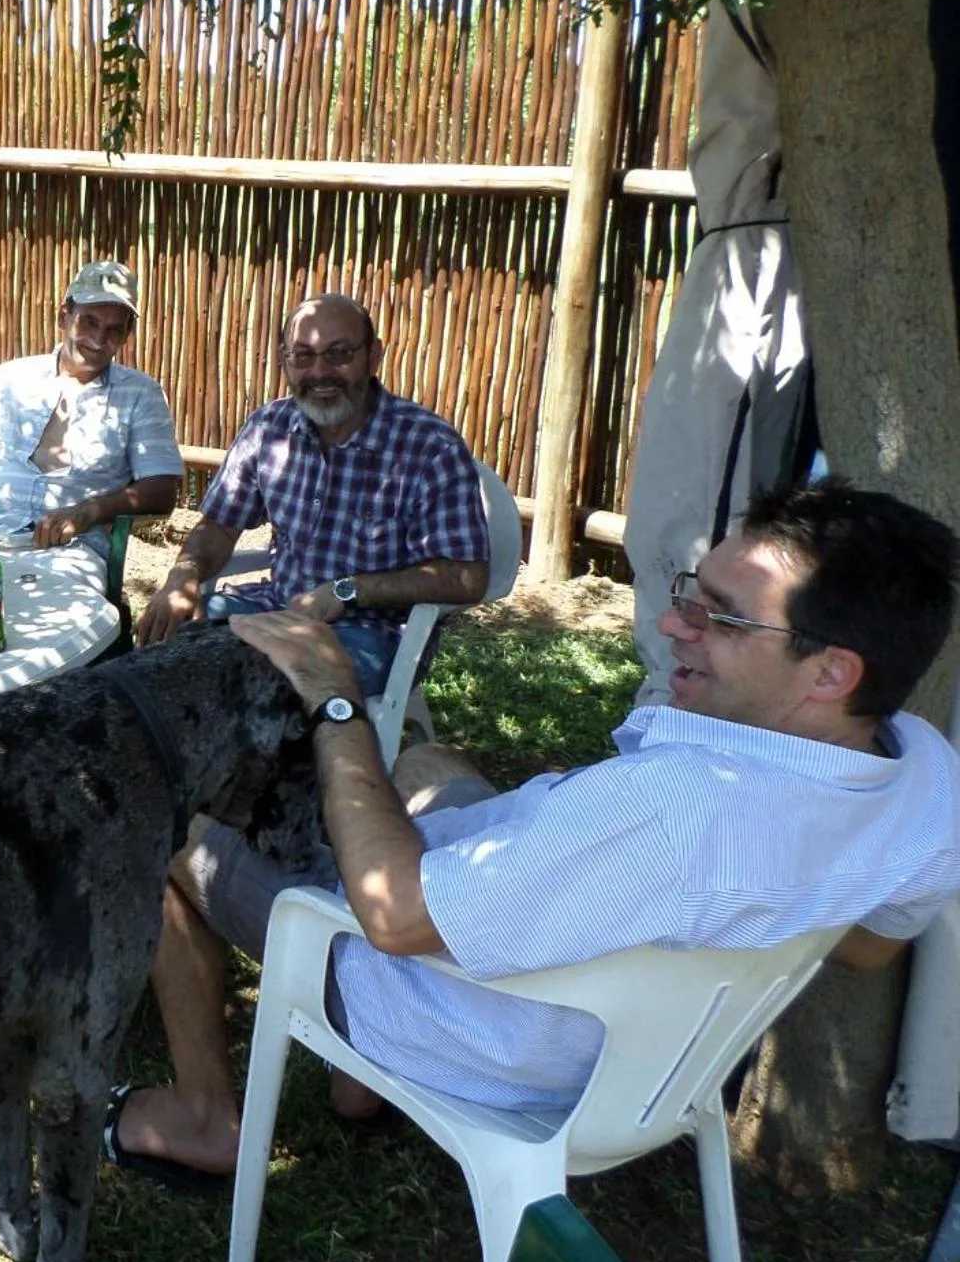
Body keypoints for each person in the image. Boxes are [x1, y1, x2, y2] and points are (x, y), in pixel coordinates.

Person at [102, 479, 960, 1188]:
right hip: (635, 1039)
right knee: (429, 761)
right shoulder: (921, 775)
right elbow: (871, 949)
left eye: (722, 620)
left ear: (831, 671)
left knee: (175, 825)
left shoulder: (675, 811)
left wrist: (335, 698)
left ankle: (206, 1114)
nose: (673, 626)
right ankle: (354, 1092)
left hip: (457, 1016)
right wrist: (762, 900)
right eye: (692, 597)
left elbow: (395, 918)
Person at [134, 293, 490, 698]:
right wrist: (182, 578)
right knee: (159, 655)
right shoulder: (269, 428)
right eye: (303, 356)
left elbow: (466, 577)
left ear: (374, 356)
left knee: (252, 687)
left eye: (339, 354)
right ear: (285, 361)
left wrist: (346, 590)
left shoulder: (428, 446)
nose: (320, 372)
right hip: (275, 605)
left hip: (376, 632)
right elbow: (218, 524)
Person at [0, 259, 183, 569]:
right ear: (63, 316)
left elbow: (161, 491)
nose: (97, 340)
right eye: (89, 322)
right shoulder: (7, 379)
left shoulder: (141, 394)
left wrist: (88, 512)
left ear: (127, 334)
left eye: (113, 330)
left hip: (72, 550)